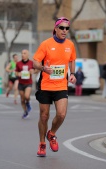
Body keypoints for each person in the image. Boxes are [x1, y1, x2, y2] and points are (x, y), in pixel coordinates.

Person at [33, 17, 77, 157]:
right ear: (56, 28)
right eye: (62, 28)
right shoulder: (46, 44)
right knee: (44, 116)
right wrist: (43, 68)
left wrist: (73, 73)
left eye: (67, 28)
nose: (65, 31)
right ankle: (42, 143)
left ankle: (51, 133)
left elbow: (72, 60)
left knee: (61, 114)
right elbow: (35, 62)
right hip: (45, 85)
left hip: (61, 85)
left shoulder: (70, 45)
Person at [15, 49, 38, 119]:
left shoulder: (31, 63)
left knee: (27, 96)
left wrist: (33, 71)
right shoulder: (18, 63)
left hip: (28, 83)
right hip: (21, 83)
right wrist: (18, 74)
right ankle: (25, 112)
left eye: (24, 53)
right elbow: (16, 72)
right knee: (22, 99)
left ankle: (28, 103)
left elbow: (37, 70)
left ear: (28, 55)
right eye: (22, 53)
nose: (23, 55)